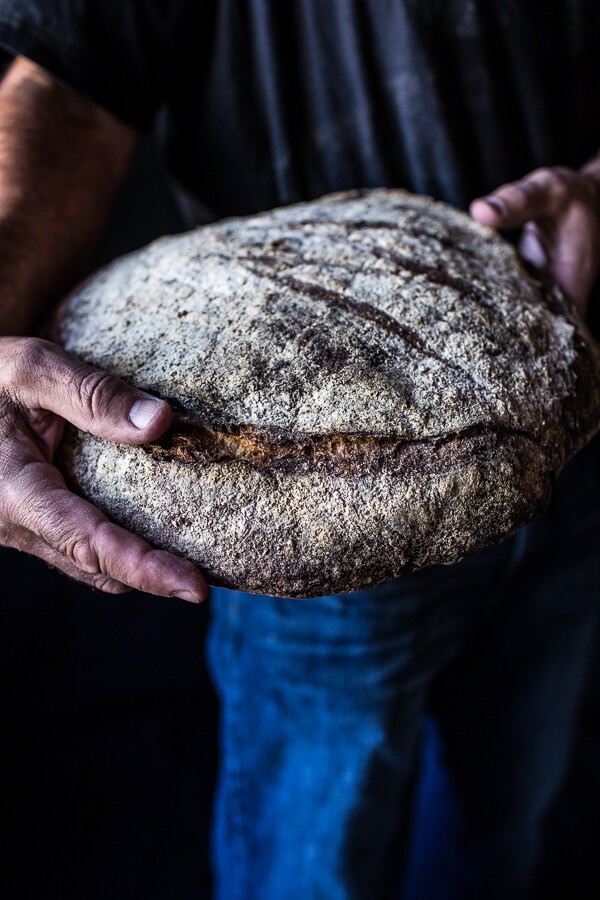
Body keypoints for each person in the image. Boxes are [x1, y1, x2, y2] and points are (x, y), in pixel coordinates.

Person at [0, 2, 599, 898]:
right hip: (303, 521)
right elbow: (71, 81)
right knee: (309, 864)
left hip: (584, 432)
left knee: (500, 820)